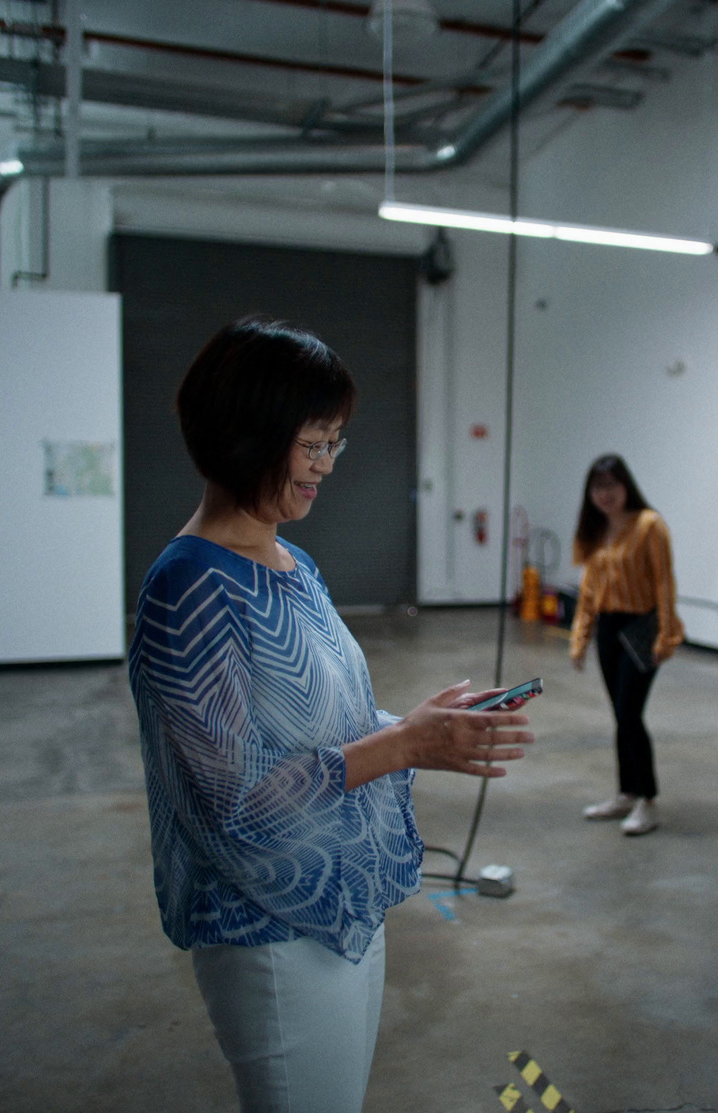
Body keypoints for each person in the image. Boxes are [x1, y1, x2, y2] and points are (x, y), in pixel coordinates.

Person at [127, 318, 533, 1113]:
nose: (325, 467)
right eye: (310, 445)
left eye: (334, 444)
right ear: (249, 437)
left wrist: (414, 726)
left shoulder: (288, 560)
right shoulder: (190, 589)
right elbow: (232, 803)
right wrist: (402, 744)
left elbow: (323, 717)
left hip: (338, 903)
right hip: (269, 928)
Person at [568, 453, 684, 836]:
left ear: (625, 486)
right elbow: (588, 591)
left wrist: (667, 635)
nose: (605, 494)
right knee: (621, 714)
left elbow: (665, 582)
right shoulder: (596, 529)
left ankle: (647, 801)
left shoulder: (649, 525)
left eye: (611, 486)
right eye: (597, 487)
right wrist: (580, 638)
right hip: (609, 629)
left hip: (642, 626)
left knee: (631, 714)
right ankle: (625, 793)